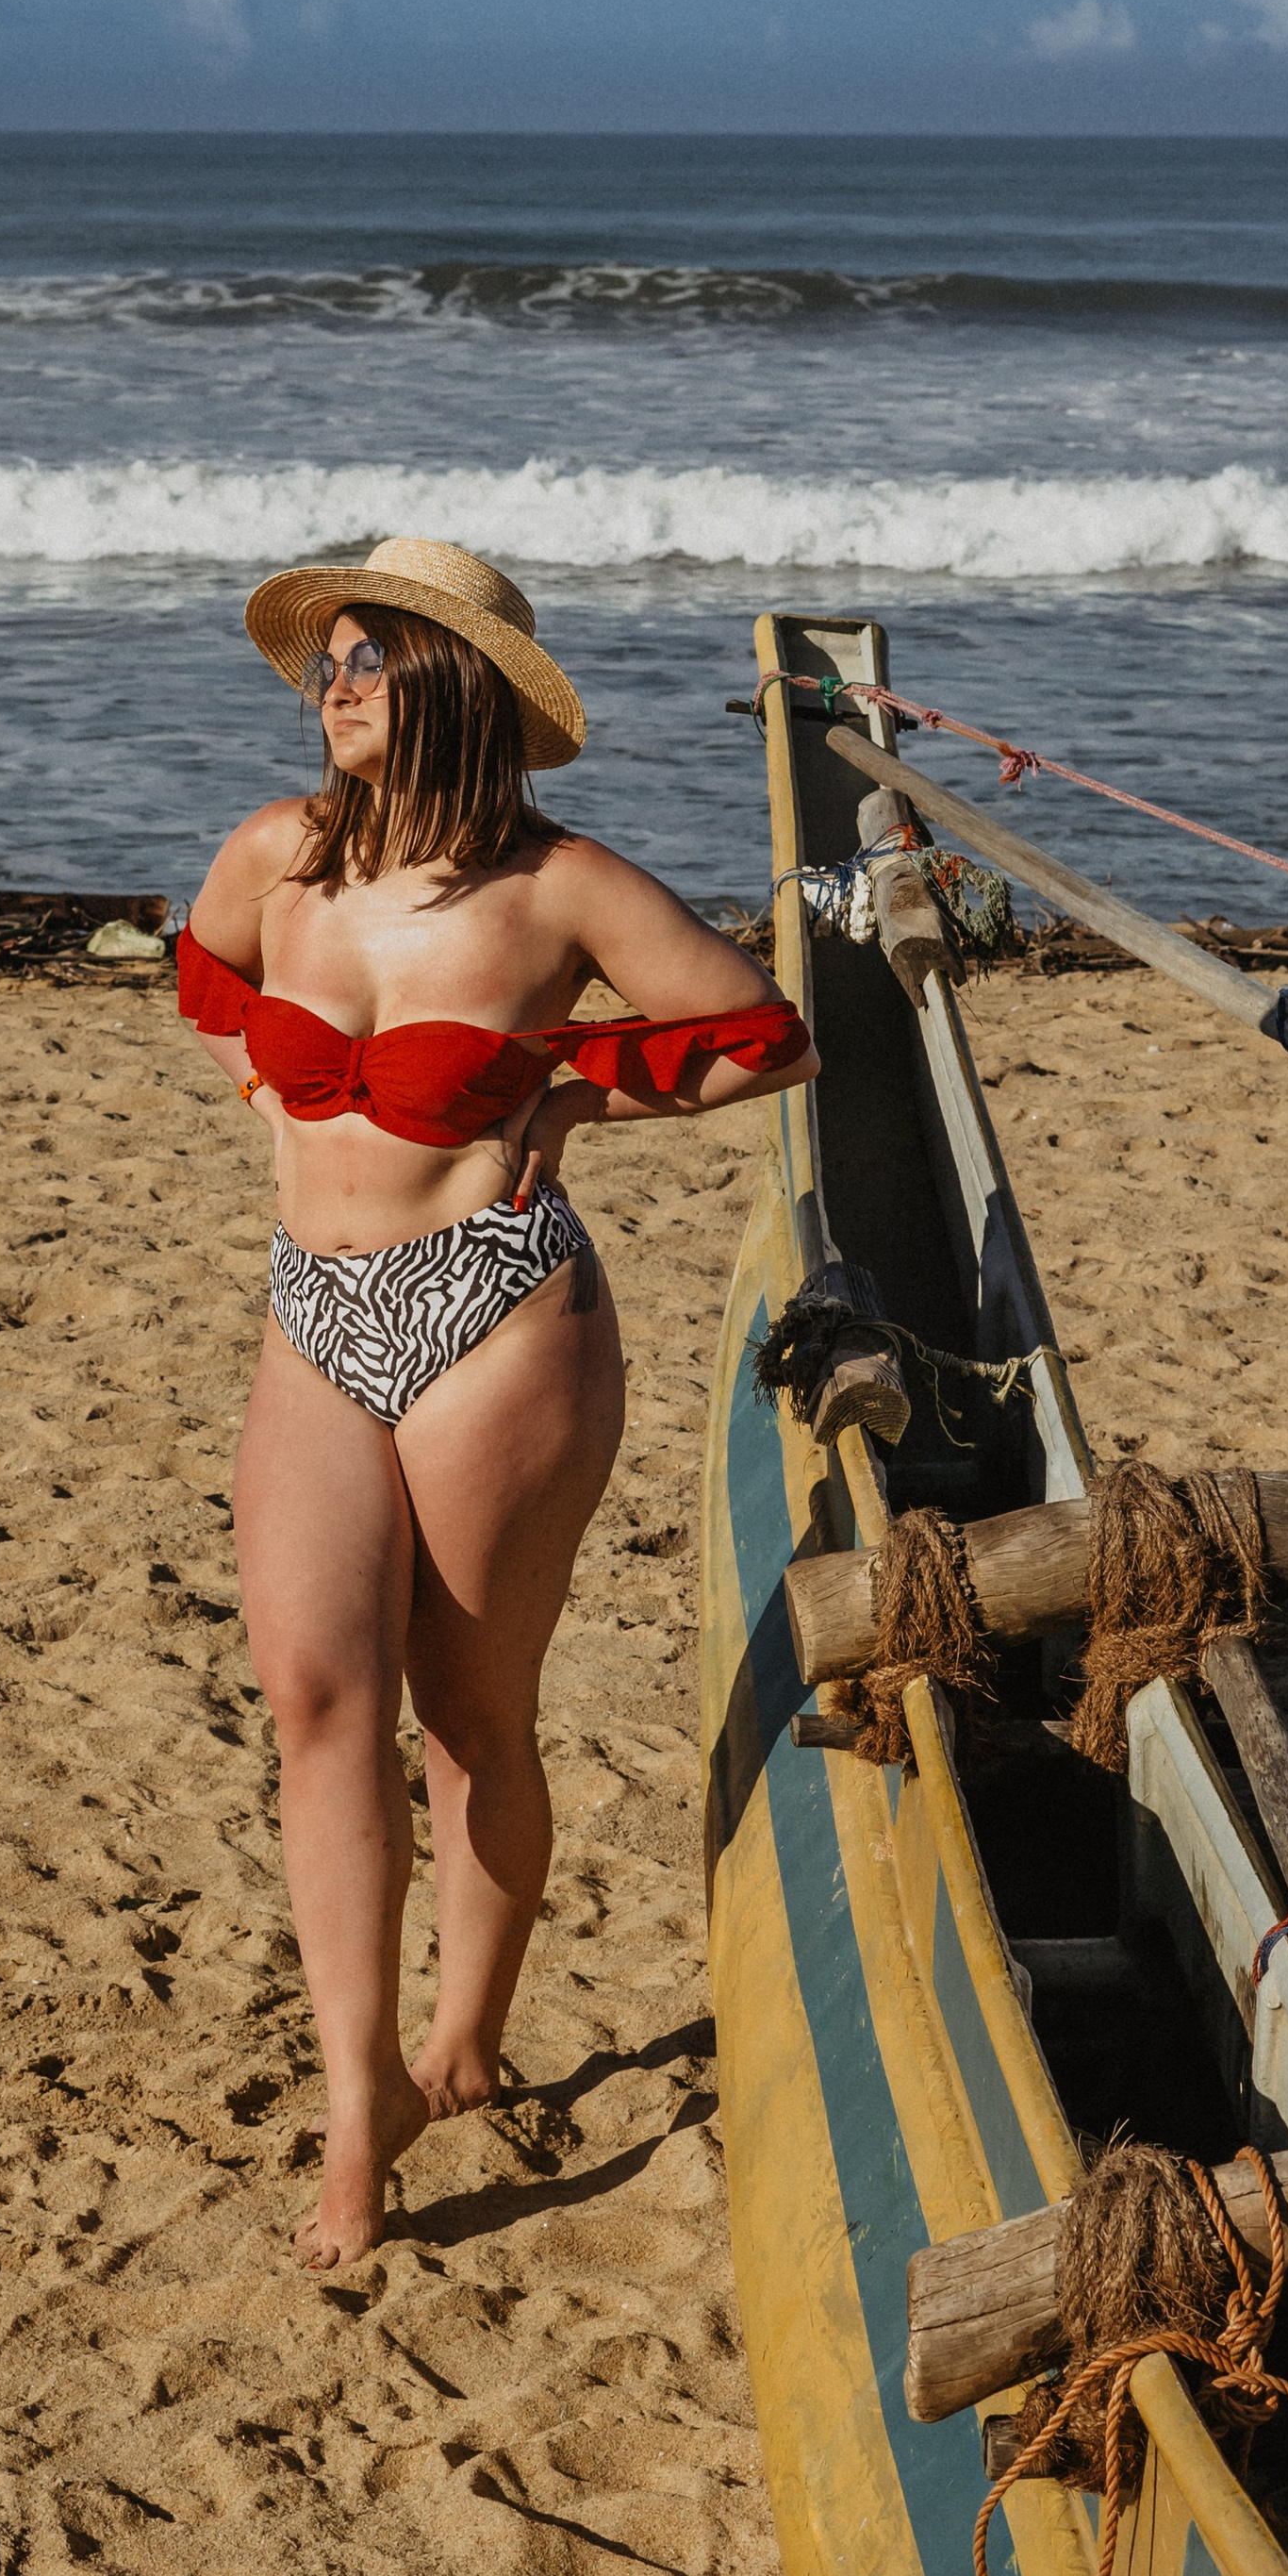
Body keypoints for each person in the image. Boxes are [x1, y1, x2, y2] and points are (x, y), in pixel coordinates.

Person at [180, 537, 817, 2269]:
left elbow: (765, 1035)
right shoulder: (278, 858)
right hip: (317, 1309)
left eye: (379, 656)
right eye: (335, 655)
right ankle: (359, 2105)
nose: (341, 681)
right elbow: (205, 979)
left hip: (499, 1313)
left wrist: (576, 1095)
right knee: (319, 1696)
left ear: (458, 683)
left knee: (470, 1717)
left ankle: (471, 2024)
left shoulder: (560, 890)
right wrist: (267, 1083)